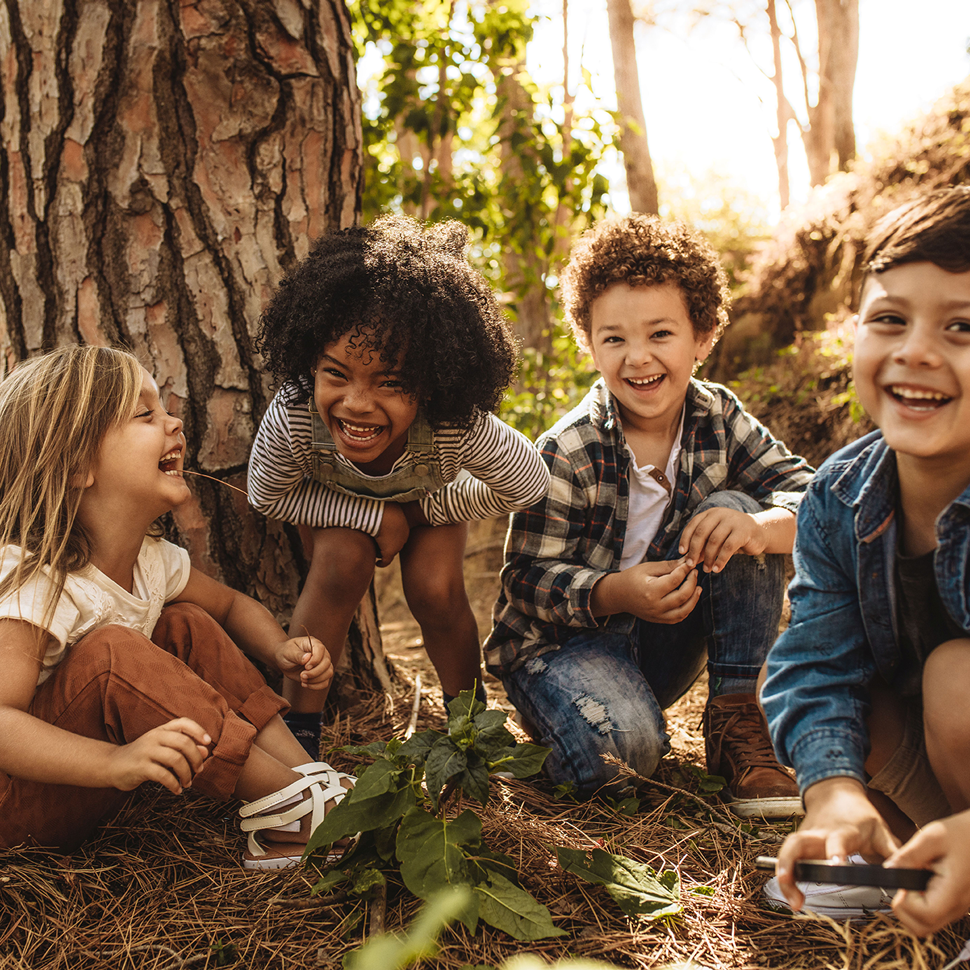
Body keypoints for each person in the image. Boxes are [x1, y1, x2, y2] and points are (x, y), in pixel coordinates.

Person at [484, 214, 814, 816]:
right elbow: (525, 580)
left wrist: (760, 528)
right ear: (589, 344)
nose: (638, 359)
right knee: (624, 758)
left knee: (737, 512)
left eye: (660, 334)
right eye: (614, 339)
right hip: (562, 651)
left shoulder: (720, 417)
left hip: (664, 642)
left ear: (704, 336)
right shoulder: (568, 449)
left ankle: (737, 716)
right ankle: (585, 726)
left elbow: (815, 498)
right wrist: (614, 593)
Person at [0, 346, 353, 869]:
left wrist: (279, 648)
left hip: (84, 786)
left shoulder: (153, 560)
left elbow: (230, 607)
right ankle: (298, 812)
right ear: (77, 466)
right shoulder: (38, 578)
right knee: (114, 652)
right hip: (18, 808)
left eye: (164, 409)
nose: (175, 423)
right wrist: (114, 763)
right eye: (145, 414)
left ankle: (304, 780)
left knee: (184, 622)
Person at [247, 215, 551, 755]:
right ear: (310, 362)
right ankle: (298, 743)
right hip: (334, 509)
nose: (357, 403)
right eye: (336, 373)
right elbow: (267, 495)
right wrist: (372, 517)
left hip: (428, 503)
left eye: (391, 383)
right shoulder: (295, 415)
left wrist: (423, 511)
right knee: (342, 562)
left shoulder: (455, 425)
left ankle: (470, 728)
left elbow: (526, 482)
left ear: (432, 384)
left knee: (435, 589)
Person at [762, 186, 970, 933]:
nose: (916, 350)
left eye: (962, 328)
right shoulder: (839, 495)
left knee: (957, 681)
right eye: (890, 319)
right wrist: (833, 794)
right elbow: (815, 665)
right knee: (821, 676)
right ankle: (905, 867)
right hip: (936, 767)